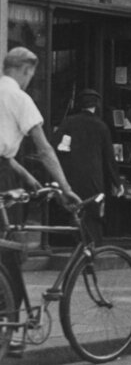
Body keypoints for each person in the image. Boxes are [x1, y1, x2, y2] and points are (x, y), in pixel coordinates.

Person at [0, 47, 81, 316]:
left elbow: (5, 153)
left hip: (8, 169)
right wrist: (66, 189)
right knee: (8, 249)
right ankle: (8, 320)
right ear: (25, 70)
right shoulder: (19, 98)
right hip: (2, 178)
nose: (29, 79)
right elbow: (45, 149)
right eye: (30, 74)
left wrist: (28, 177)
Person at [54, 90, 123, 247]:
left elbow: (55, 145)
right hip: (93, 176)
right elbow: (109, 158)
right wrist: (117, 182)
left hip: (71, 174)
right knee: (93, 210)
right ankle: (91, 246)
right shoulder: (101, 126)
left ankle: (71, 243)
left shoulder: (69, 122)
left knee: (72, 207)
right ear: (96, 105)